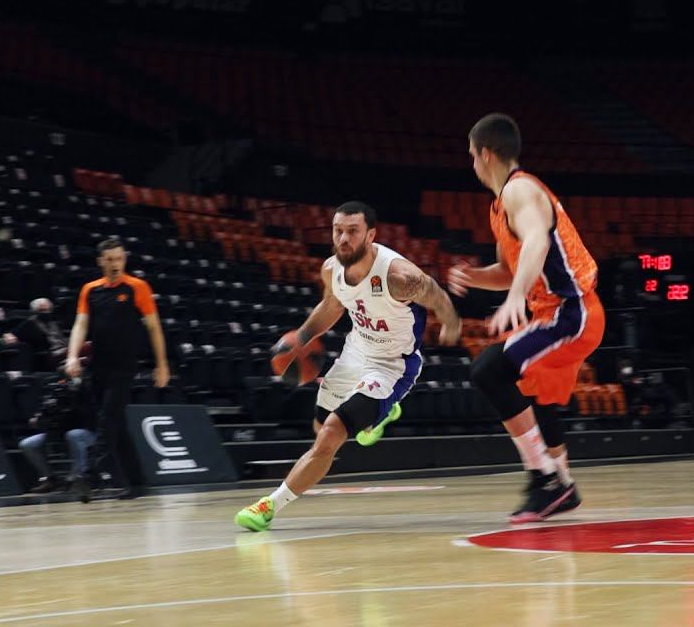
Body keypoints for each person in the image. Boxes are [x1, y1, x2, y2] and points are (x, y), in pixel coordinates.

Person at [235, 202, 461, 531]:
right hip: (354, 353)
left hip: (391, 365)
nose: (343, 238)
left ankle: (269, 505)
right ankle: (377, 418)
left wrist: (451, 323)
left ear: (371, 235)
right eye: (338, 230)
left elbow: (437, 295)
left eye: (353, 231)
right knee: (320, 426)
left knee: (330, 434)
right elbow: (332, 304)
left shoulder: (399, 277)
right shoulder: (331, 269)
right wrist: (302, 338)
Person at [448, 113, 605, 523]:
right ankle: (562, 485)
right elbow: (508, 270)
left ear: (486, 154)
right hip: (559, 313)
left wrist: (517, 295)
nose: (472, 164)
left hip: (572, 312)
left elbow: (537, 239)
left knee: (488, 369)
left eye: (472, 155)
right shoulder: (500, 206)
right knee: (531, 392)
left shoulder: (520, 190)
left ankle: (545, 478)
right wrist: (473, 276)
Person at [66, 238, 169, 500]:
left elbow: (154, 327)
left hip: (124, 367)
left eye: (119, 259)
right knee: (117, 425)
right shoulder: (90, 290)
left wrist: (162, 364)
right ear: (101, 261)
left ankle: (89, 476)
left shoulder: (137, 287)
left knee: (106, 420)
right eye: (110, 259)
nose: (115, 264)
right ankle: (136, 482)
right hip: (98, 367)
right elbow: (80, 324)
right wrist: (72, 356)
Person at [19, 373, 96, 503]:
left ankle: (79, 477)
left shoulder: (88, 388)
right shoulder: (58, 391)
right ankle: (51, 479)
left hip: (88, 432)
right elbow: (47, 414)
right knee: (27, 444)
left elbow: (88, 415)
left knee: (74, 435)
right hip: (59, 433)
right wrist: (40, 418)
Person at [12, 298, 69, 371]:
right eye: (42, 310)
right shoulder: (29, 323)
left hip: (62, 349)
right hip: (48, 354)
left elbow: (61, 338)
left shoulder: (53, 323)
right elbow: (12, 334)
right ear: (35, 311)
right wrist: (10, 337)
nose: (46, 312)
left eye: (48, 310)